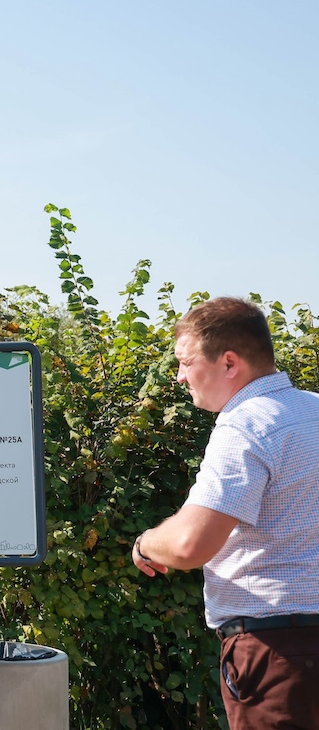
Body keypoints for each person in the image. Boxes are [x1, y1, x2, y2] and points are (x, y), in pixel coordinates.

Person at [132, 297, 319, 728]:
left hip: (278, 654)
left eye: (185, 361)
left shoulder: (246, 423)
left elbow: (190, 544)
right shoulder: (313, 409)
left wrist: (146, 543)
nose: (180, 376)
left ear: (229, 362)